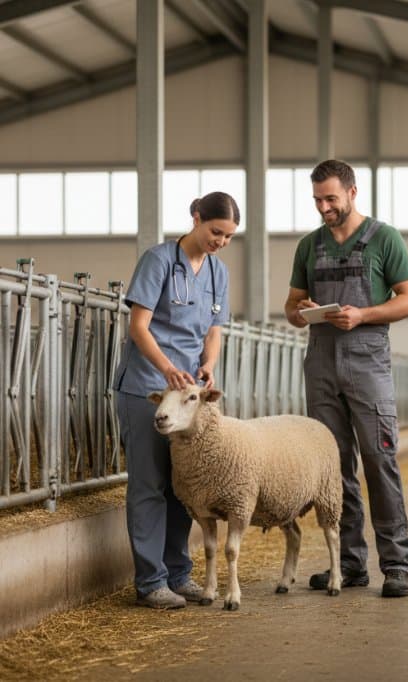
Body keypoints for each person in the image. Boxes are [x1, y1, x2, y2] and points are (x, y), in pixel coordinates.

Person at [284, 160, 408, 598]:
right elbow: (290, 306)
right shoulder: (309, 247)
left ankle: (396, 564)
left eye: (331, 199)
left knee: (380, 462)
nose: (324, 208)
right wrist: (302, 314)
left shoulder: (384, 239)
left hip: (368, 363)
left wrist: (363, 314)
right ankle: (349, 563)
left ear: (352, 192)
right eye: (317, 200)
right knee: (334, 467)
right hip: (321, 362)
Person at [114, 192, 237, 609]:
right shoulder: (159, 260)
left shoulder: (218, 272)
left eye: (228, 236)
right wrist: (167, 368)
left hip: (189, 396)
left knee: (184, 486)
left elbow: (215, 328)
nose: (220, 241)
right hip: (149, 386)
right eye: (215, 231)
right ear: (196, 217)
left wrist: (210, 364)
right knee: (149, 484)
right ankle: (151, 582)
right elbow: (139, 327)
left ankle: (178, 573)